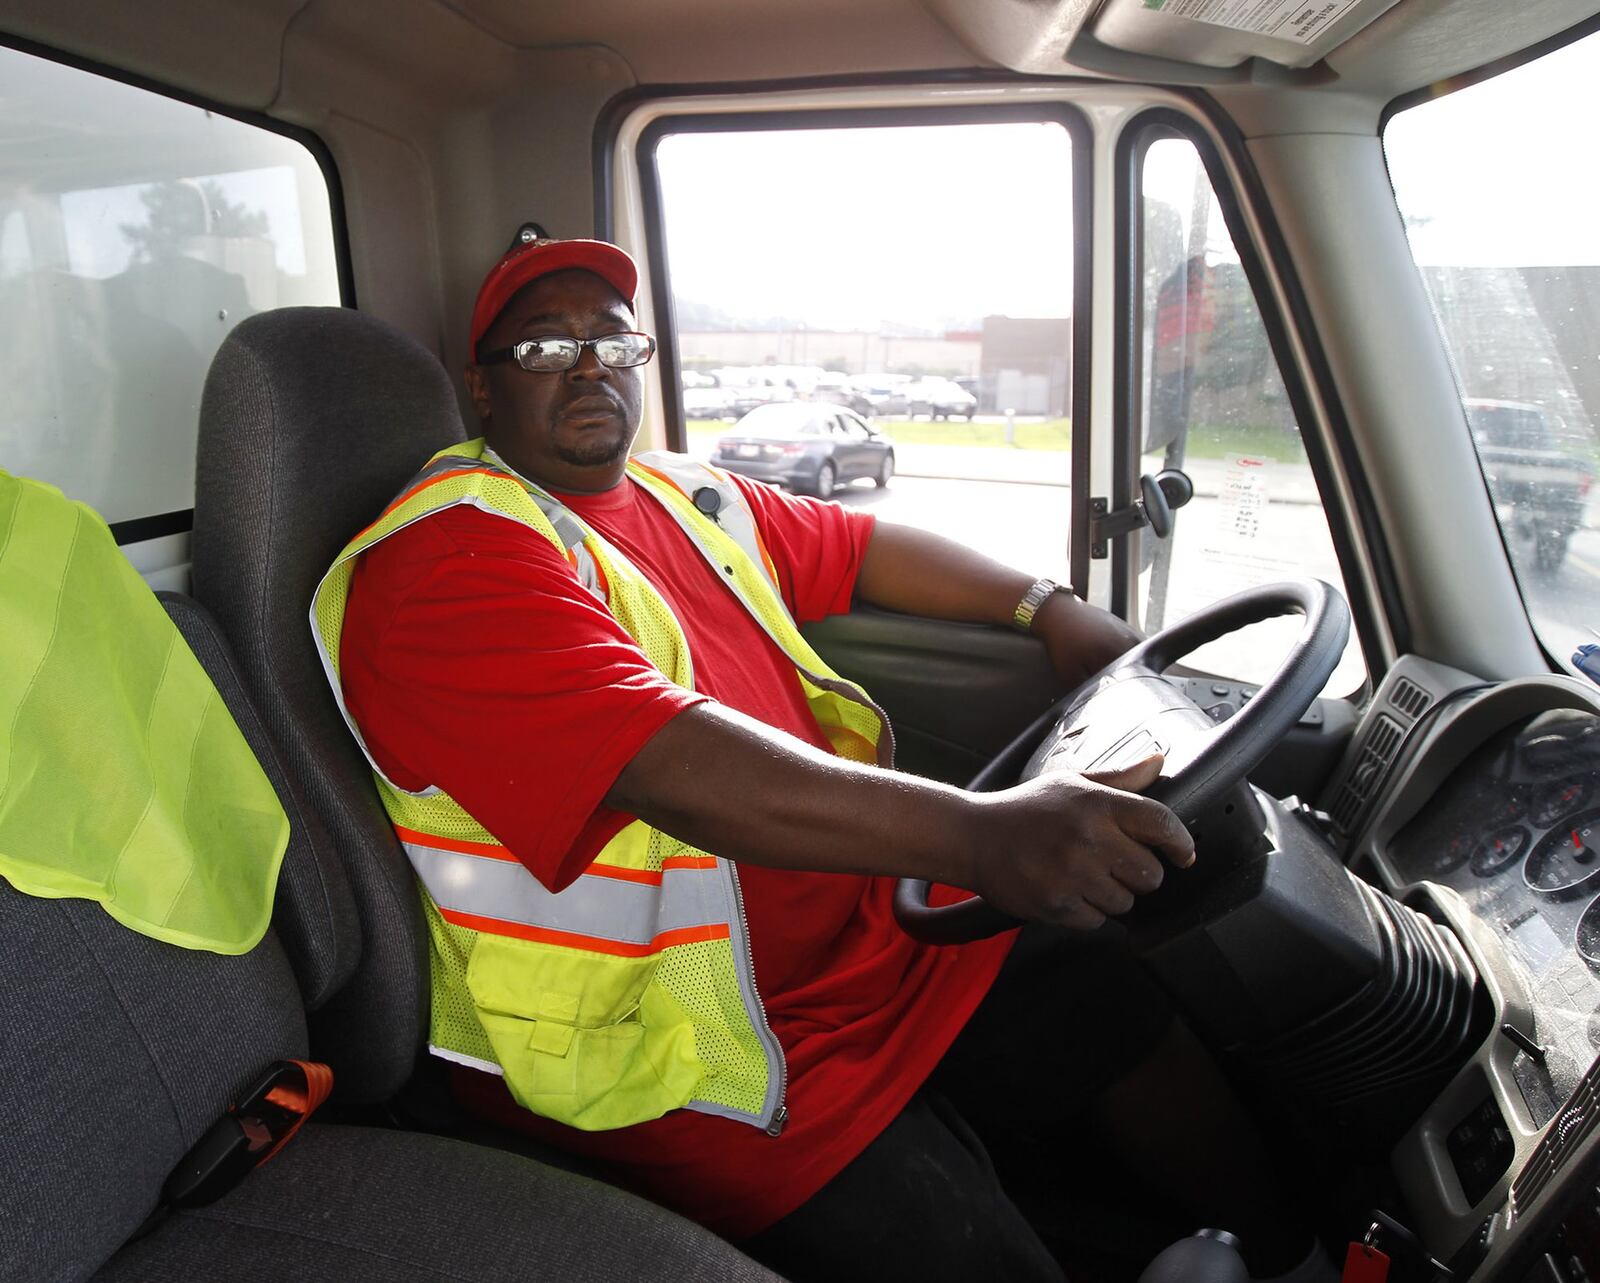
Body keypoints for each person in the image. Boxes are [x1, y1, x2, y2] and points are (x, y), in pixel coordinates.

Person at [315, 238, 1329, 1282]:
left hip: (858, 936)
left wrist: (1047, 607)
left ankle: (1304, 1257)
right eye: (545, 343)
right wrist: (983, 833)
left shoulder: (678, 497)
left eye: (615, 338)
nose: (589, 364)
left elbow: (859, 546)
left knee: (1105, 998)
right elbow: (664, 758)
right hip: (679, 1046)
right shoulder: (446, 555)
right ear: (481, 382)